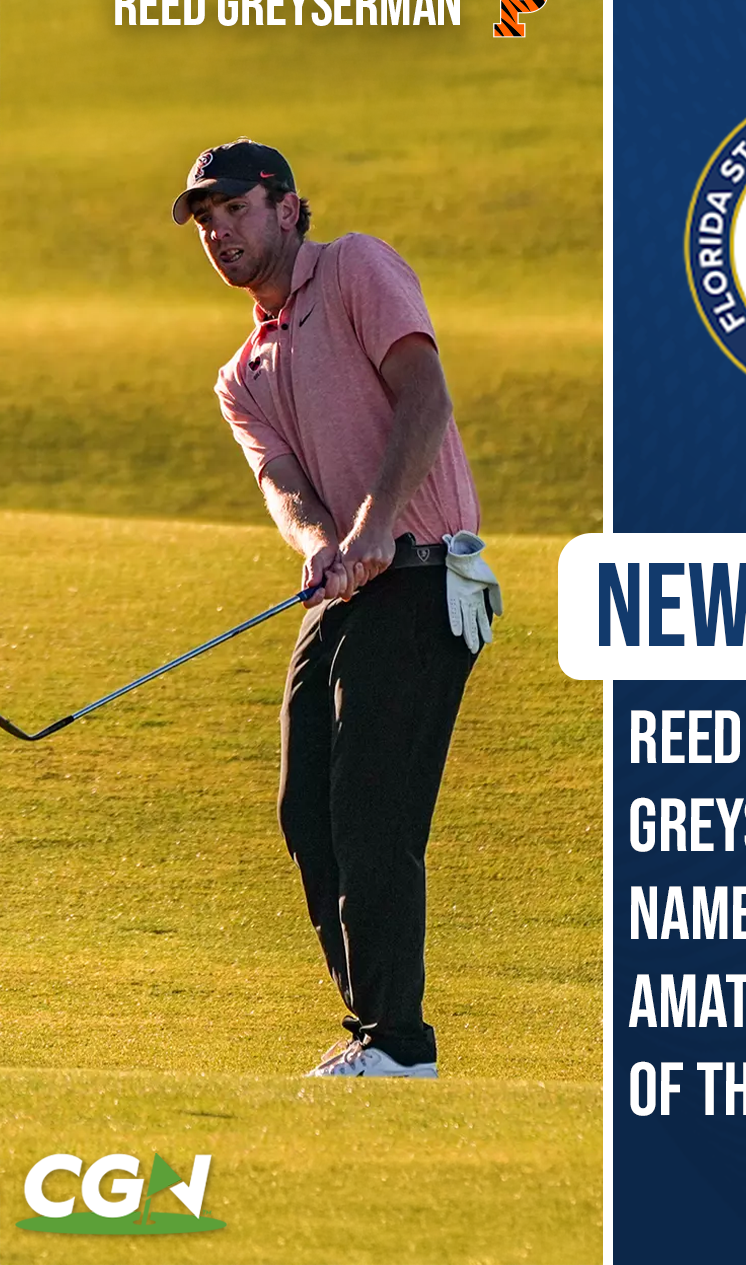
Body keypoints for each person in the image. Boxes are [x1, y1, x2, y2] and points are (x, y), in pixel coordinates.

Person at [172, 139, 501, 1078]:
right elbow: (282, 483)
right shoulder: (242, 373)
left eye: (236, 209)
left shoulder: (357, 267)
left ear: (287, 207)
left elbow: (425, 395)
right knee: (306, 809)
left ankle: (400, 1043)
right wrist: (321, 542)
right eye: (206, 220)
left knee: (371, 809)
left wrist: (376, 525)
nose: (220, 232)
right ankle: (373, 1028)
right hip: (346, 584)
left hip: (426, 571)